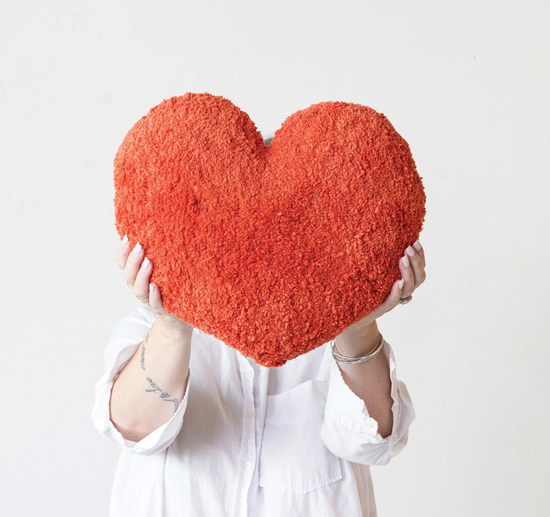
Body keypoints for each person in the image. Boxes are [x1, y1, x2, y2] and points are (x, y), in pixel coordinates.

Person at [92, 133, 427, 517]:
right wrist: (172, 322)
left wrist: (358, 322)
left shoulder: (332, 332)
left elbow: (371, 445)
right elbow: (133, 431)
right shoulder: (152, 326)